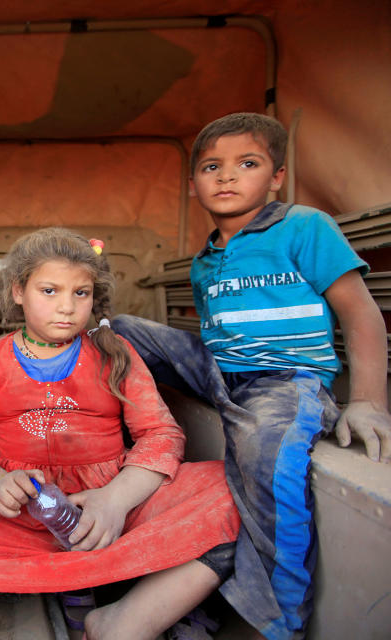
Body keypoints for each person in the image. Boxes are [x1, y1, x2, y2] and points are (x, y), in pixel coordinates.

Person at [112, 112, 391, 639]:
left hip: (286, 378)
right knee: (120, 328)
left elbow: (361, 314)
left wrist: (369, 401)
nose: (226, 176)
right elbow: (215, 336)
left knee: (267, 456)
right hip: (221, 372)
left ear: (277, 176)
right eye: (211, 167)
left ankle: (277, 620)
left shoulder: (305, 227)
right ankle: (114, 449)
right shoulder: (204, 261)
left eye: (247, 163)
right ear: (194, 186)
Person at [0, 228, 241, 640]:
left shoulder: (115, 353)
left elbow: (161, 435)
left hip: (112, 509)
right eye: (49, 291)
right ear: (18, 292)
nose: (66, 307)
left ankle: (121, 622)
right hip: (21, 515)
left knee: (231, 490)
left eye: (80, 293)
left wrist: (115, 501)